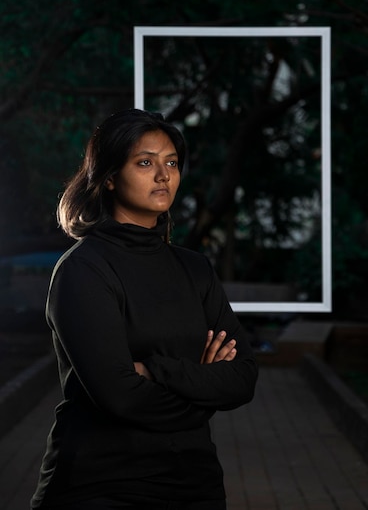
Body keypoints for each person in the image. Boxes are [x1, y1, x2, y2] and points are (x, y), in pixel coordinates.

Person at [31, 108, 258, 510]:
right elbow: (119, 396)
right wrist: (203, 388)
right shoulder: (83, 270)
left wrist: (155, 369)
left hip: (195, 482)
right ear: (110, 178)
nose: (163, 175)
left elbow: (242, 377)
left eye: (171, 162)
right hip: (102, 485)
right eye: (145, 162)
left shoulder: (195, 268)